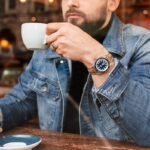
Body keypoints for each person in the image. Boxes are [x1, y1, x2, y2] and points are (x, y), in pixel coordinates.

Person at [0, 0, 150, 146]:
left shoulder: (142, 43)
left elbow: (146, 127)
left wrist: (94, 56)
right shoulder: (48, 46)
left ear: (112, 3)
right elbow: (23, 100)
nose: (71, 2)